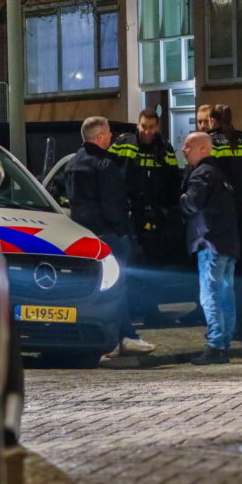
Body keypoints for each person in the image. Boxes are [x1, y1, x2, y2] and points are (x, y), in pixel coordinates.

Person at [65, 116, 155, 356]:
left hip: (82, 237)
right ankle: (123, 337)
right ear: (99, 137)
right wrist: (123, 232)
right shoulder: (106, 165)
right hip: (109, 236)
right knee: (117, 288)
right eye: (108, 134)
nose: (112, 138)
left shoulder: (72, 164)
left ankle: (113, 336)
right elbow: (113, 206)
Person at [109, 109, 181, 324]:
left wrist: (167, 208)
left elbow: (172, 180)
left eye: (151, 127)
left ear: (157, 127)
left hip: (155, 215)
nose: (147, 131)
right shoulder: (123, 144)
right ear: (137, 125)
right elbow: (110, 174)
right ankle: (128, 310)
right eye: (143, 126)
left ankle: (151, 311)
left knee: (153, 264)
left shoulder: (164, 148)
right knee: (129, 263)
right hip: (129, 214)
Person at [180, 132, 240, 365]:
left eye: (189, 146)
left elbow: (191, 204)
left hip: (209, 242)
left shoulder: (202, 174)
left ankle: (216, 345)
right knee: (225, 294)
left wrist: (183, 197)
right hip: (227, 243)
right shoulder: (219, 173)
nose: (184, 150)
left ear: (204, 149)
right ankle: (224, 343)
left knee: (210, 295)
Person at [207, 104, 242, 341]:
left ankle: (222, 326)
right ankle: (241, 323)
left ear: (212, 121)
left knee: (220, 274)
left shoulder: (212, 143)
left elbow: (210, 179)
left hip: (224, 218)